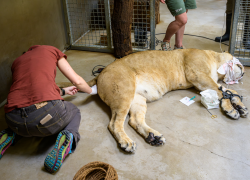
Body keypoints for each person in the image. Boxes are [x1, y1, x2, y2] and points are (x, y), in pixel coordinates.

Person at [0, 45, 97, 173]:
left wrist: (62, 91)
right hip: (45, 117)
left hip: (12, 119)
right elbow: (77, 82)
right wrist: (92, 91)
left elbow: (30, 90)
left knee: (23, 119)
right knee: (74, 111)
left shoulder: (17, 62)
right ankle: (68, 138)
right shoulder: (51, 50)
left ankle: (10, 134)